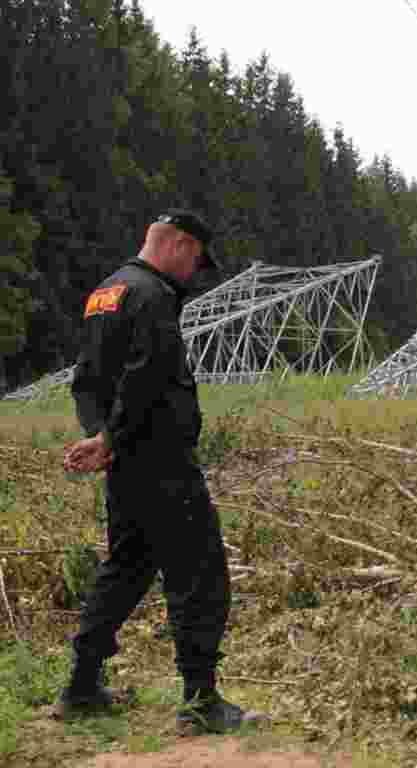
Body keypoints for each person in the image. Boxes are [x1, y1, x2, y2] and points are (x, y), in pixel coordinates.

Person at [56, 210, 267, 735]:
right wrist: (110, 437)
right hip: (162, 461)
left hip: (125, 464)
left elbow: (86, 379)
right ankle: (200, 703)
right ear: (176, 244)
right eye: (196, 260)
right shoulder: (152, 296)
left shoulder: (105, 293)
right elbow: (145, 376)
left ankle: (81, 686)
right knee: (198, 573)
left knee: (126, 568)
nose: (196, 274)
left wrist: (101, 438)